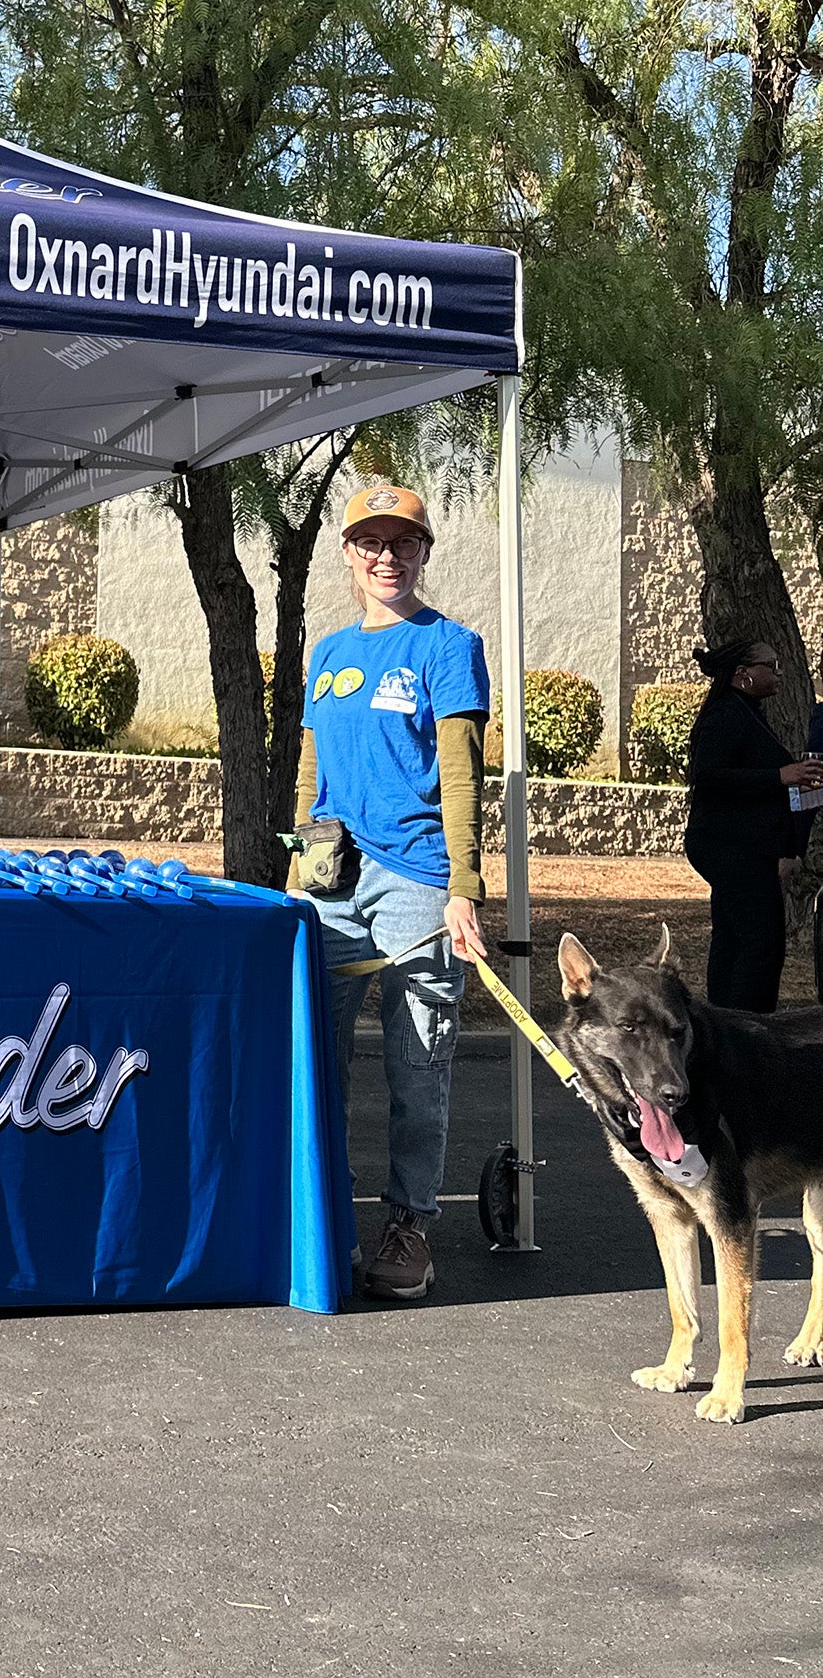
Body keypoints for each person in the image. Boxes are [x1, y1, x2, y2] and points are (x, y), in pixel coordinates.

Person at [294, 483, 490, 1305]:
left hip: (416, 880)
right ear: (346, 553)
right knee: (319, 1061)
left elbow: (460, 773)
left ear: (424, 552)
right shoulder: (329, 652)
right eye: (370, 542)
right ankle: (324, 1220)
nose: (386, 556)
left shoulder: (449, 645)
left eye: (402, 542)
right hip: (331, 884)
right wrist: (297, 872)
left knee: (418, 1065)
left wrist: (464, 886)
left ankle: (408, 1224)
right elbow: (312, 770)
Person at [685, 637, 819, 1012]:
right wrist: (780, 775)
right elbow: (709, 777)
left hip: (746, 845)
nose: (779, 673)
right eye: (771, 666)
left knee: (732, 936)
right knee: (762, 941)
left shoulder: (749, 713)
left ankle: (725, 1024)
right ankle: (750, 1031)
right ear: (742, 675)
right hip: (726, 844)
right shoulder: (726, 714)